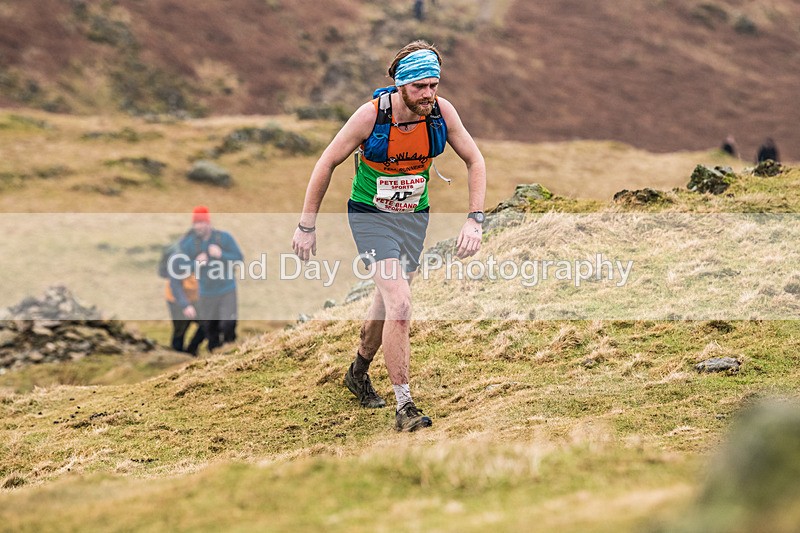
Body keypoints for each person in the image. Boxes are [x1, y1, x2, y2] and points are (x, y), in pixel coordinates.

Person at [292, 40, 487, 432]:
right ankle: (405, 406)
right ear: (401, 86)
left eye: (434, 85)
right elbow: (326, 162)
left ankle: (358, 371)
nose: (429, 94)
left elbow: (475, 159)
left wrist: (474, 219)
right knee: (400, 301)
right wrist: (306, 226)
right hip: (370, 217)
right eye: (420, 87)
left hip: (414, 218)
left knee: (387, 301)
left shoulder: (442, 113)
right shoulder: (370, 116)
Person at [175, 206, 243, 352]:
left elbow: (239, 259)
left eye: (201, 222)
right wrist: (196, 264)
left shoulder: (224, 238)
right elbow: (180, 267)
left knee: (228, 325)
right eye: (195, 223)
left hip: (227, 290)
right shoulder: (188, 243)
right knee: (210, 331)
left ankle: (232, 354)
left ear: (208, 223)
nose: (198, 226)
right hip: (206, 294)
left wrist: (221, 255)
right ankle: (216, 361)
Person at [165, 271, 205, 356]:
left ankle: (191, 351)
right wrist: (185, 305)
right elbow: (175, 284)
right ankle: (177, 356)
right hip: (176, 300)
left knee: (207, 323)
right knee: (180, 329)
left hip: (195, 298)